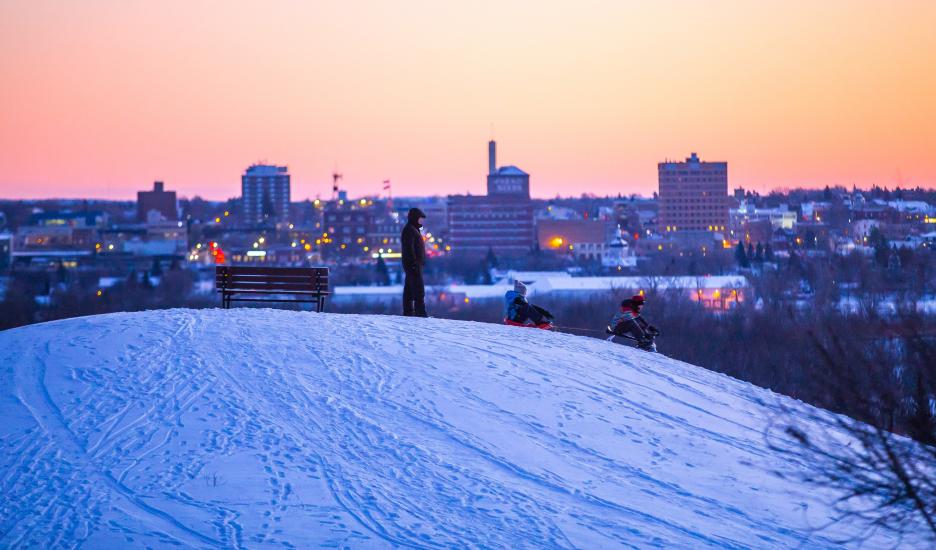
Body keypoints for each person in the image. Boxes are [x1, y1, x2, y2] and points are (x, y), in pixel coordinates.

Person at [401, 207, 428, 317]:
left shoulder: (413, 229)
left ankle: (408, 312)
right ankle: (420, 312)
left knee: (409, 290)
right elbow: (408, 248)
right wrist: (414, 263)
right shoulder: (410, 230)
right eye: (420, 218)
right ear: (414, 218)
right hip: (413, 266)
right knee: (418, 289)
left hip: (413, 265)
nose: (421, 221)